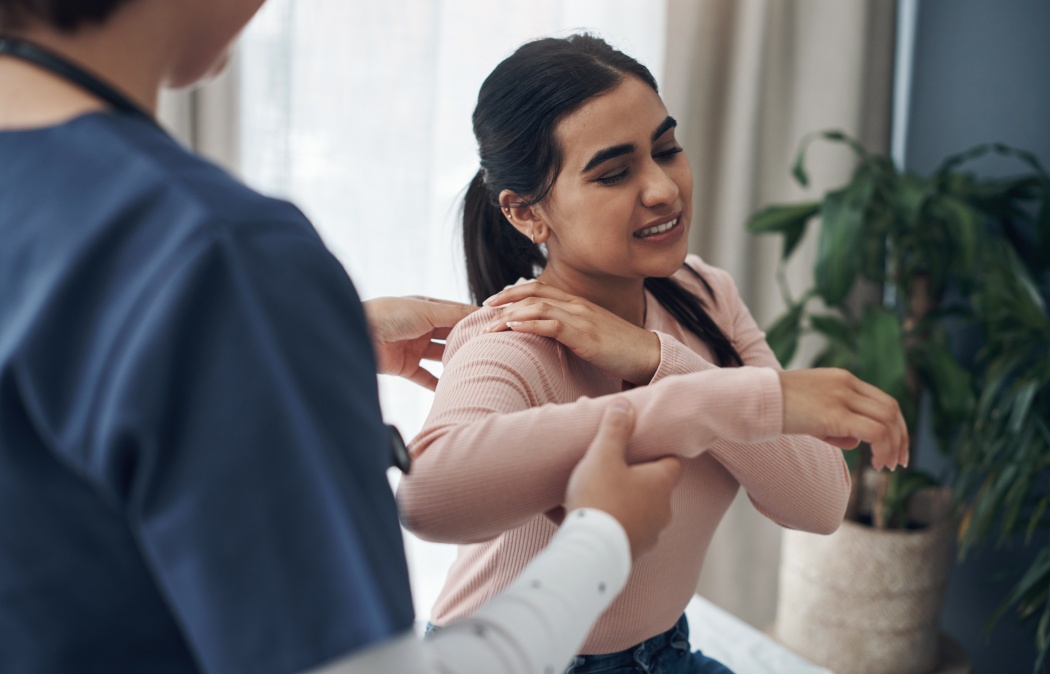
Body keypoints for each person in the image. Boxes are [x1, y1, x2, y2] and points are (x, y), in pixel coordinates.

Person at [0, 3, 689, 674]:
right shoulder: (215, 254)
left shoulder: (148, 247)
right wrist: (602, 538)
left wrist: (276, 350)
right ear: (523, 211)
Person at [397, 34, 909, 674]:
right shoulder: (516, 332)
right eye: (614, 173)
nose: (663, 188)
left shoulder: (705, 295)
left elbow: (819, 502)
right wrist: (707, 399)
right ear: (527, 213)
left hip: (663, 654)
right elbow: (427, 497)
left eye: (666, 149)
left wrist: (654, 358)